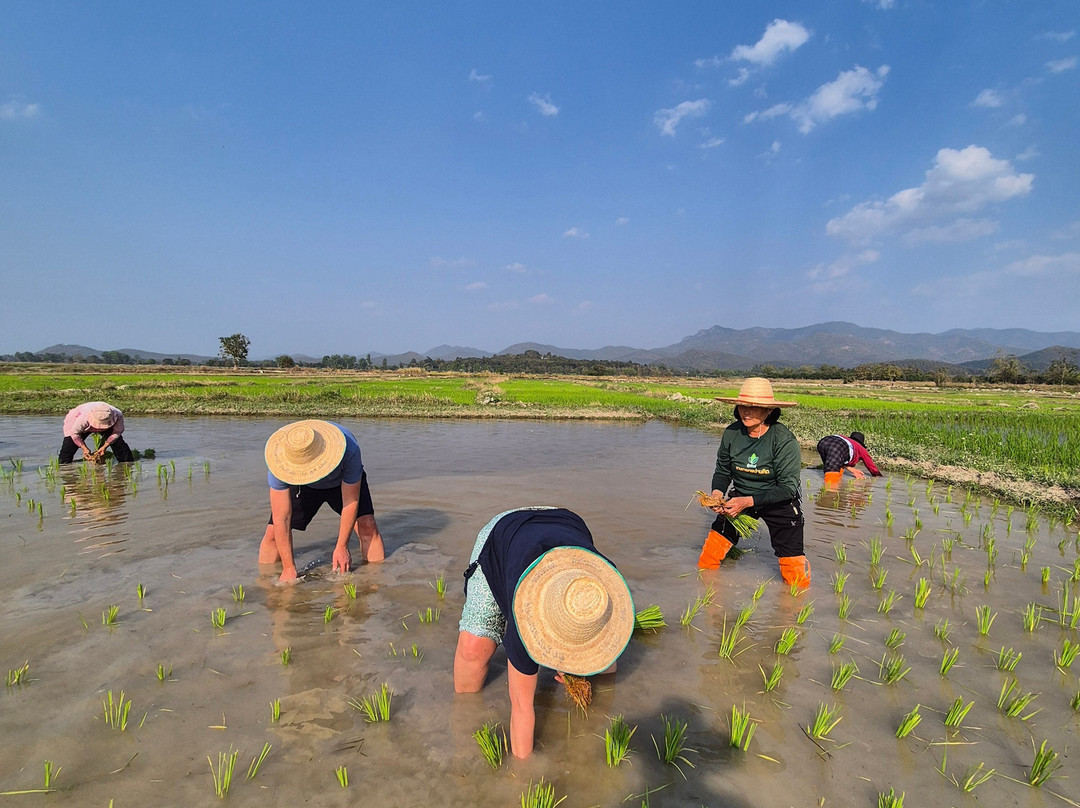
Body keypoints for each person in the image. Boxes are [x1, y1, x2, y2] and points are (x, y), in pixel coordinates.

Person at [454, 507, 634, 758]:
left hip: (567, 521)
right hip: (504, 533)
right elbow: (521, 708)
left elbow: (607, 666)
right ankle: (461, 727)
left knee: (602, 665)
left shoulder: (603, 597)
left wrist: (581, 677)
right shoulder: (525, 626)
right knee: (473, 653)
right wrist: (522, 777)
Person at [697, 378, 810, 588]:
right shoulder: (732, 433)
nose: (746, 412)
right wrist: (717, 495)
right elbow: (722, 469)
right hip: (740, 496)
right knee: (709, 557)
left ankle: (793, 612)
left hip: (779, 501)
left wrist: (747, 502)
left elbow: (787, 488)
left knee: (794, 574)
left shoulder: (783, 440)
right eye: (743, 406)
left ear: (769, 411)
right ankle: (708, 598)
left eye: (755, 408)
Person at [259, 419, 384, 584]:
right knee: (273, 534)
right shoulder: (279, 462)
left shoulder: (348, 449)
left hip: (340, 482)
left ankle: (375, 584)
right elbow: (282, 517)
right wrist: (289, 567)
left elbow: (350, 501)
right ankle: (264, 584)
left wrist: (342, 546)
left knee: (367, 526)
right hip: (301, 485)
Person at [59, 401, 134, 463]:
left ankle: (127, 464)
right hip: (79, 421)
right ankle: (63, 467)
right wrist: (84, 448)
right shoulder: (83, 418)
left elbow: (117, 432)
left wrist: (105, 446)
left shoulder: (117, 414)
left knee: (119, 445)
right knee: (68, 447)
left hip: (108, 422)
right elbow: (74, 433)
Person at [816, 431, 881, 484]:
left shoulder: (843, 438)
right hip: (838, 446)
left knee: (833, 465)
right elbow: (871, 466)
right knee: (832, 477)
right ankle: (830, 494)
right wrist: (879, 477)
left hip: (823, 441)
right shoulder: (861, 448)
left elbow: (839, 460)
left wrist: (852, 470)